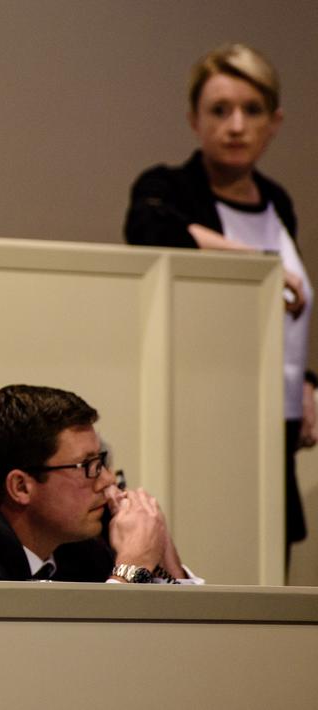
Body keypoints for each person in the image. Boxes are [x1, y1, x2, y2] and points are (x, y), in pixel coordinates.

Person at [123, 43, 310, 549]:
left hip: (277, 426)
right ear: (193, 119)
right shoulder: (169, 187)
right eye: (220, 110)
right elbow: (149, 226)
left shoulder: (277, 202)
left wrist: (305, 384)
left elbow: (277, 321)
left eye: (252, 110)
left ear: (275, 121)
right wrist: (256, 263)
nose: (236, 125)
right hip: (207, 417)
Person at [0, 385, 200, 584]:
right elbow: (52, 654)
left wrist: (163, 554)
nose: (108, 481)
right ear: (21, 487)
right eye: (87, 466)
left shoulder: (82, 551)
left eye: (102, 462)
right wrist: (133, 567)